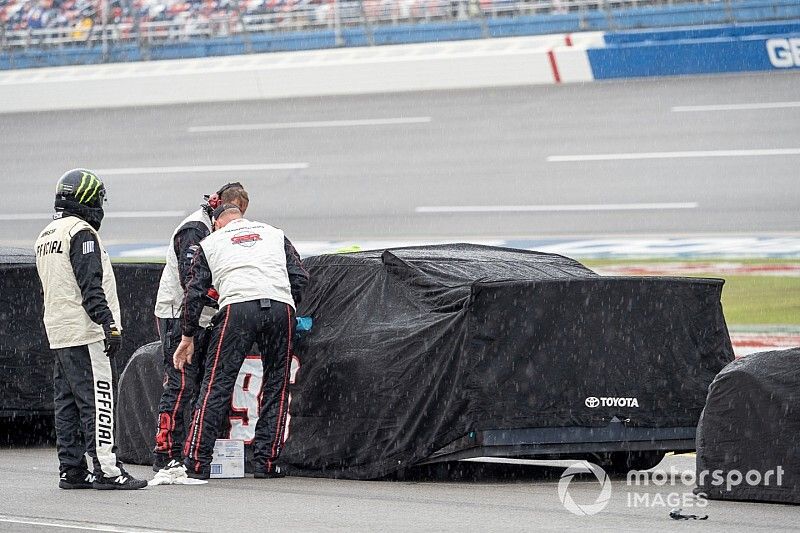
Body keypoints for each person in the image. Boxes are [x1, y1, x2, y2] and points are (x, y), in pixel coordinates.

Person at [174, 204, 309, 479]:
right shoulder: (274, 233)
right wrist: (286, 303)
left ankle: (197, 464)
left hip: (237, 308)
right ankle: (267, 463)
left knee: (216, 385)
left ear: (217, 223)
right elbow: (300, 277)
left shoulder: (210, 241)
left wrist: (187, 334)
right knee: (277, 386)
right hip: (280, 307)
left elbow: (194, 292)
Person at [34, 168, 147, 490]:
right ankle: (108, 471)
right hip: (85, 332)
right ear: (87, 199)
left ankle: (72, 470)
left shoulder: (46, 235)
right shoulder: (81, 232)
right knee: (98, 403)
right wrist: (108, 323)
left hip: (59, 330)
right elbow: (90, 285)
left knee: (67, 404)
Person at [152, 182, 250, 472]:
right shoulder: (195, 229)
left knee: (200, 386)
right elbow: (192, 282)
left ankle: (189, 451)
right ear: (219, 210)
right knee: (180, 383)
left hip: (203, 316)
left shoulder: (216, 226)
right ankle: (164, 452)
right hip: (177, 315)